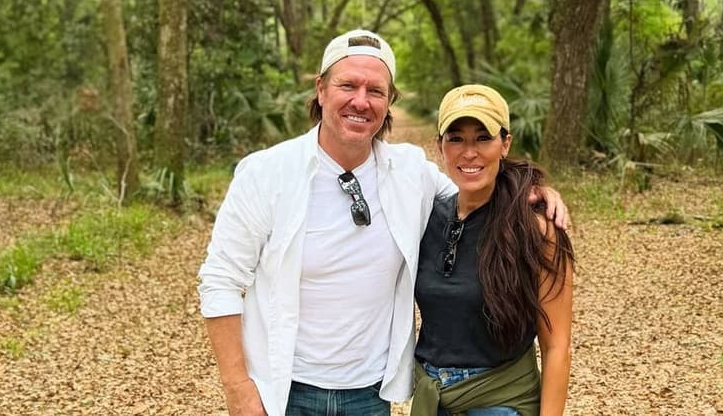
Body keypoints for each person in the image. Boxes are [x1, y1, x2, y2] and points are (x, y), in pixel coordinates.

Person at [198, 29, 570, 416]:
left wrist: (535, 191)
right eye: (348, 85)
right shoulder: (266, 174)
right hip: (284, 391)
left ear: (389, 101)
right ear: (321, 89)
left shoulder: (410, 174)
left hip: (371, 393)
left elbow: (477, 186)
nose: (361, 101)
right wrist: (239, 390)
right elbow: (221, 280)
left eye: (375, 91)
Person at [411, 85, 575, 416]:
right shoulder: (426, 217)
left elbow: (558, 347)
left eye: (483, 138)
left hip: (500, 402)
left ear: (505, 144)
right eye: (456, 138)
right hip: (432, 399)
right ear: (439, 145)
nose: (469, 152)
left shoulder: (535, 229)